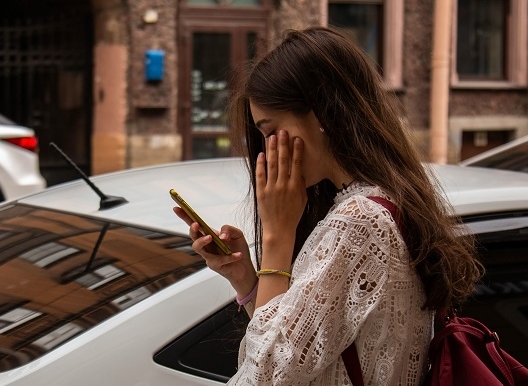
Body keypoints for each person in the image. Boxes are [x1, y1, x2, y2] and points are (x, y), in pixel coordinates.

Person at [173, 26, 483, 385]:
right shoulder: (378, 203)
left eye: (271, 131)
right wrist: (246, 280)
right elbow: (294, 348)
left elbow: (264, 374)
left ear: (321, 114)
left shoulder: (359, 222)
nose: (268, 150)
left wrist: (277, 235)